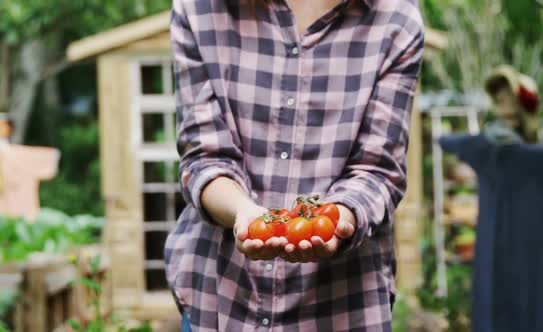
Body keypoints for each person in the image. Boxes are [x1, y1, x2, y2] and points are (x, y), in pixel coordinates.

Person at [164, 0, 425, 330]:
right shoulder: (199, 8)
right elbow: (205, 156)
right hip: (220, 300)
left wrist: (340, 217)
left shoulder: (397, 20)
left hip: (343, 306)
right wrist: (245, 213)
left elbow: (378, 169)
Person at [483, 65, 540, 144]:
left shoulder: (540, 140)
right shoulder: (496, 137)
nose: (505, 106)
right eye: (498, 100)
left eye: (511, 96)